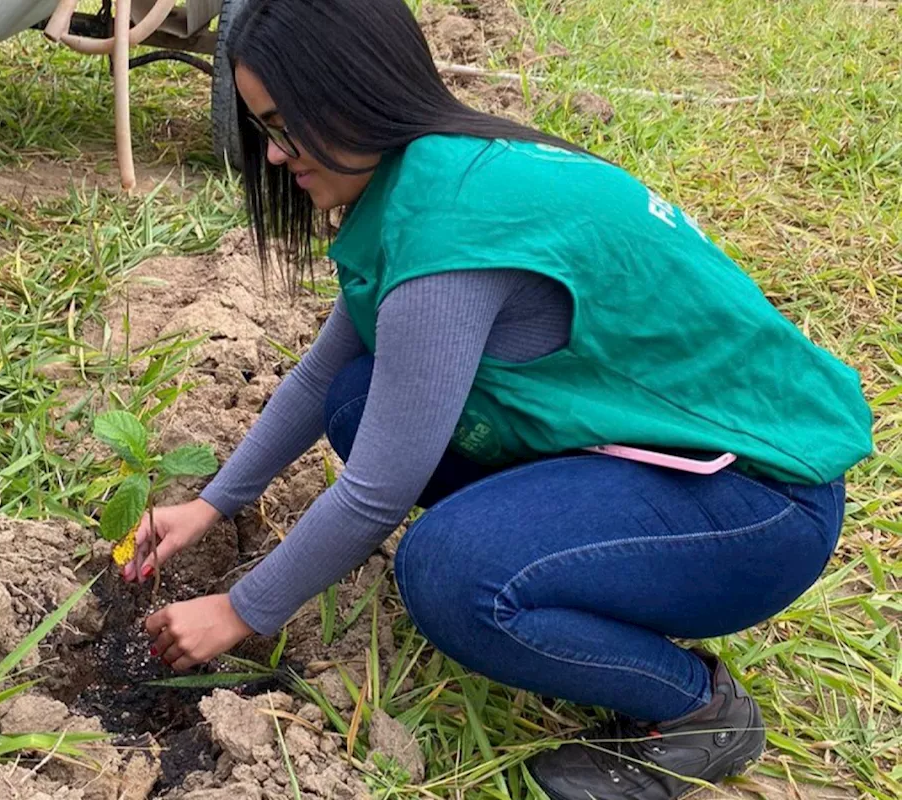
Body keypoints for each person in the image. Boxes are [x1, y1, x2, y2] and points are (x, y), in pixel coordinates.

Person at [124, 0, 874, 797]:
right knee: (357, 397)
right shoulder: (432, 172)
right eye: (264, 129)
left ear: (354, 90)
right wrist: (210, 505)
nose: (276, 156)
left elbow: (376, 494)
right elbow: (320, 376)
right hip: (671, 457)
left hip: (760, 505)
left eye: (285, 126)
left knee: (452, 574)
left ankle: (697, 711)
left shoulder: (451, 236)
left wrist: (241, 610)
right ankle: (530, 550)